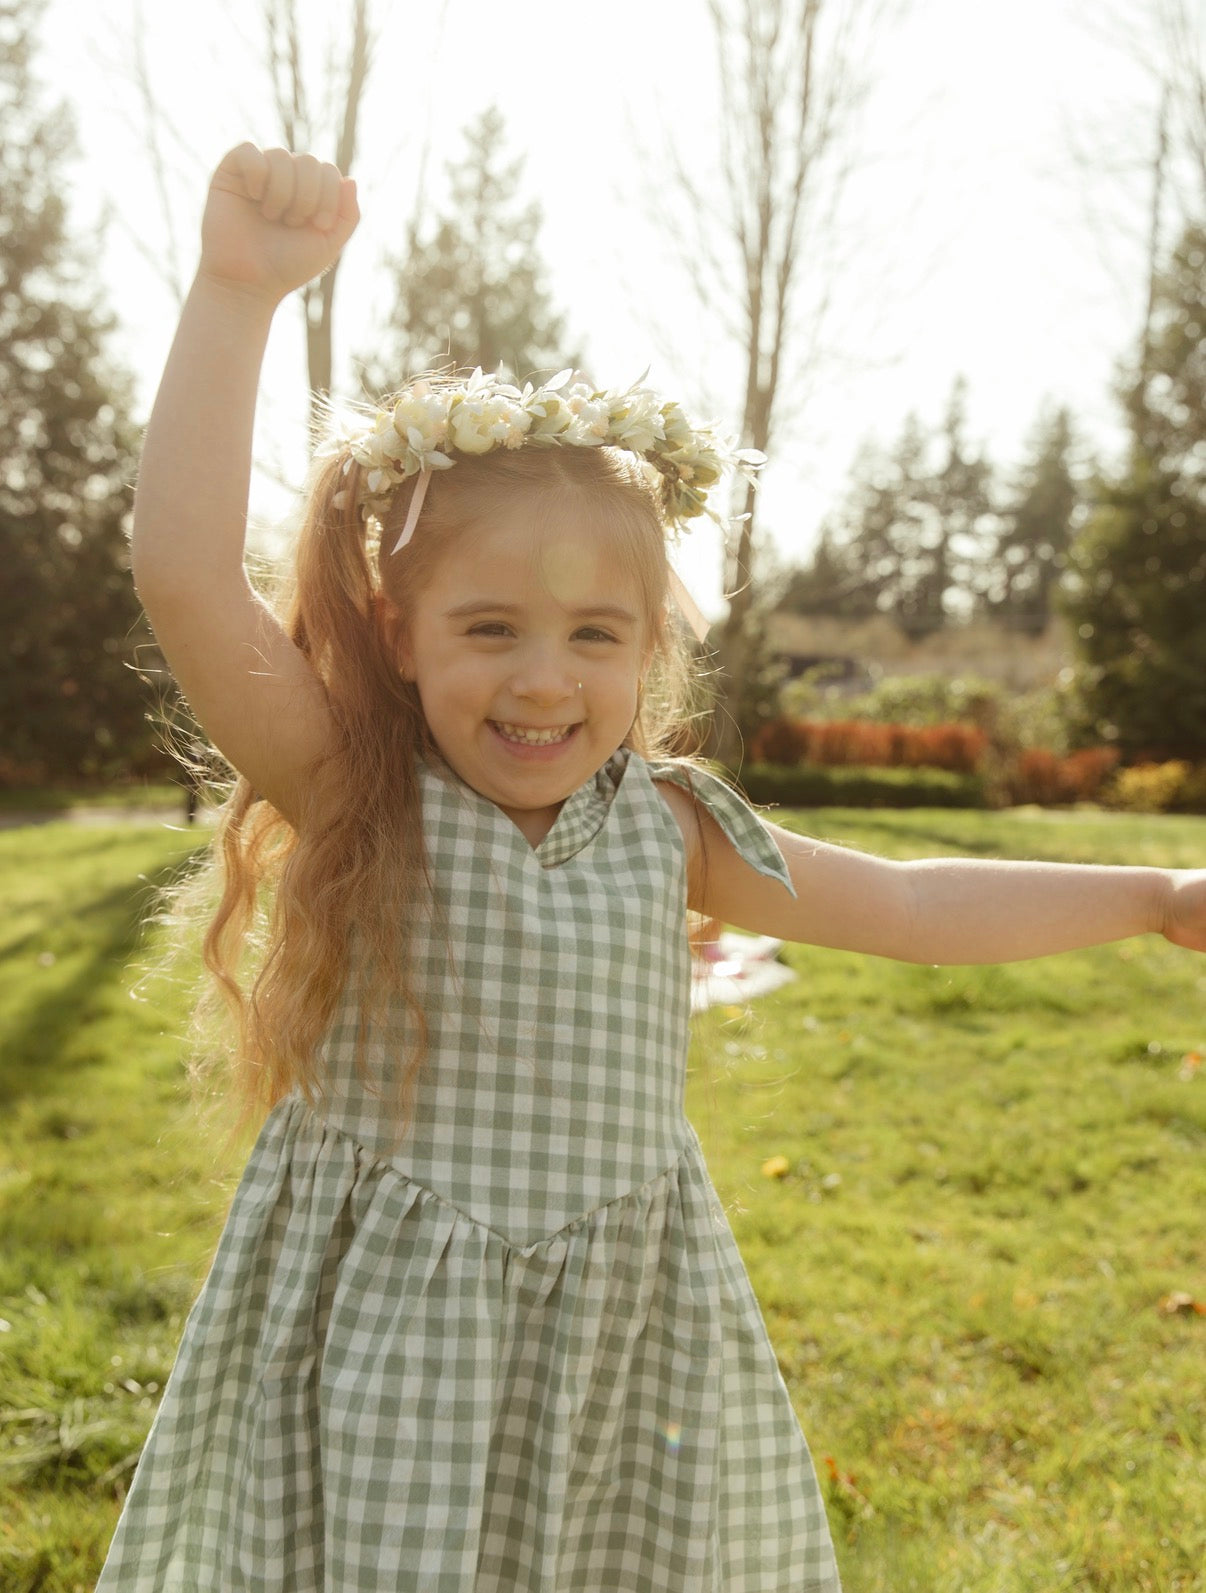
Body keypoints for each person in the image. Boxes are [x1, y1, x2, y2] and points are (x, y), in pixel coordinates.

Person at [97, 144, 1206, 1593]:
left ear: (649, 642)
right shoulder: (358, 794)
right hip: (393, 1320)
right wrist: (236, 290)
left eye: (594, 634)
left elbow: (913, 901)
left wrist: (1151, 896)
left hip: (625, 1322)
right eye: (488, 627)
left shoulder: (669, 827)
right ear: (398, 630)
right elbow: (183, 570)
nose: (542, 680)